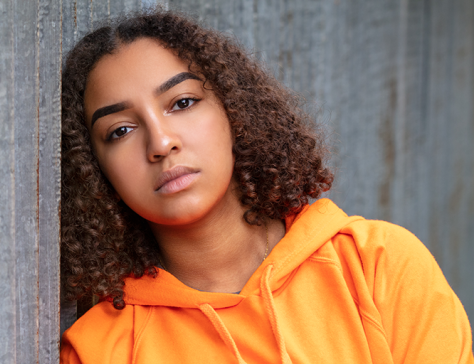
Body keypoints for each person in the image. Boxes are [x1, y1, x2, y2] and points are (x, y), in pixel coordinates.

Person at [59, 10, 473, 364]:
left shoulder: (376, 266)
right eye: (121, 130)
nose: (161, 142)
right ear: (96, 172)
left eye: (182, 103)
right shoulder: (101, 349)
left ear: (234, 113)